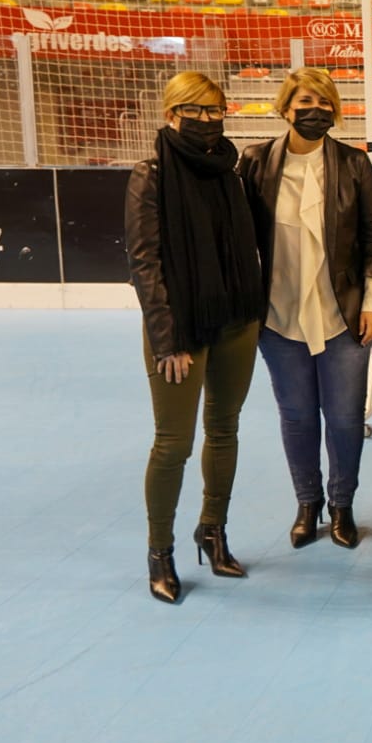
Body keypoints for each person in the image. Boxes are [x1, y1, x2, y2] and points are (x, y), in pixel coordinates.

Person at [125, 72, 264, 603]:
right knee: (173, 443)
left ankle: (214, 529)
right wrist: (167, 339)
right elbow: (145, 264)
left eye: (214, 110)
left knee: (224, 428)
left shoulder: (230, 169)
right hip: (179, 328)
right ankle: (160, 551)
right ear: (169, 114)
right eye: (194, 110)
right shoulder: (150, 175)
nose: (206, 120)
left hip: (237, 317)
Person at [239, 68, 372, 551]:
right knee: (298, 417)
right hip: (278, 317)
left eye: (326, 103)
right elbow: (238, 240)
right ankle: (308, 504)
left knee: (345, 419)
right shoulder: (256, 162)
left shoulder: (353, 165)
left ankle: (342, 505)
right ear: (285, 108)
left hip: (342, 315)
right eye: (306, 101)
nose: (317, 110)